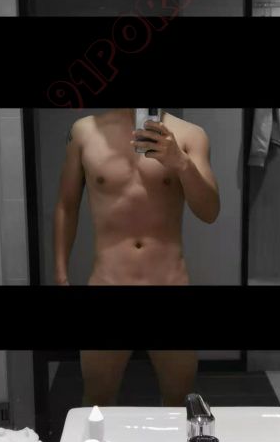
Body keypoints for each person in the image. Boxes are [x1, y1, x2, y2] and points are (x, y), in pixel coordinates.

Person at [53, 109, 220, 404]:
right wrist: (61, 276)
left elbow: (210, 212)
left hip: (169, 285)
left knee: (179, 403)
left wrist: (180, 162)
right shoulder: (84, 133)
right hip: (108, 284)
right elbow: (67, 205)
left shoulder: (191, 135)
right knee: (98, 402)